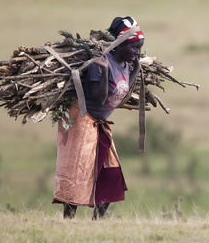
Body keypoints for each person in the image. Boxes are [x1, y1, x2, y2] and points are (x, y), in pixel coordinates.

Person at [53, 16, 144, 220]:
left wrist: (135, 71)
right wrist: (103, 73)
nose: (137, 53)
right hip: (83, 118)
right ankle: (68, 220)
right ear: (120, 44)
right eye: (134, 48)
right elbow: (100, 98)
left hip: (99, 123)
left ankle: (98, 220)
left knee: (111, 171)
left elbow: (121, 93)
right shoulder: (101, 63)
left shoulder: (125, 63)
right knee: (77, 170)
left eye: (140, 48)